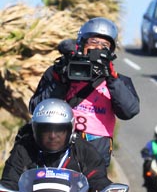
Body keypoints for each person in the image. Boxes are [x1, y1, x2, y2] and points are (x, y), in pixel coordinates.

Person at [28, 17, 141, 167]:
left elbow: (129, 111)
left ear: (111, 51)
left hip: (96, 147)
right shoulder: (61, 72)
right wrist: (60, 78)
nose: (98, 48)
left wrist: (111, 78)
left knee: (92, 189)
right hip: (56, 141)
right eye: (93, 42)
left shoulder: (119, 81)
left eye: (104, 45)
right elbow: (36, 108)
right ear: (82, 43)